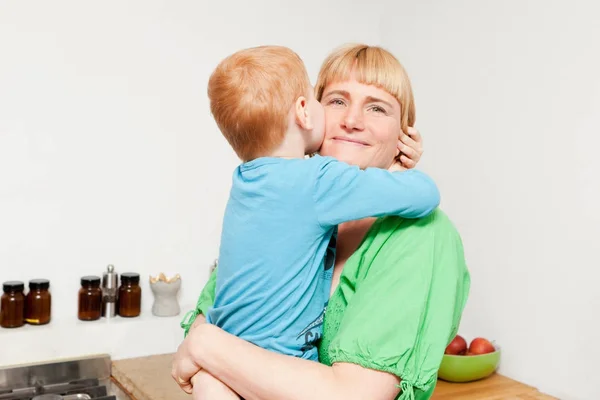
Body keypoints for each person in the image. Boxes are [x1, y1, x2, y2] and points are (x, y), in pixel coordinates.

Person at [173, 43, 471, 400]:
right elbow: (216, 311)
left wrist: (208, 346)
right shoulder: (282, 206)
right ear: (305, 113)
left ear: (403, 138)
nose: (352, 121)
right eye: (337, 101)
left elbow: (354, 396)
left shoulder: (421, 236)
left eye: (377, 108)